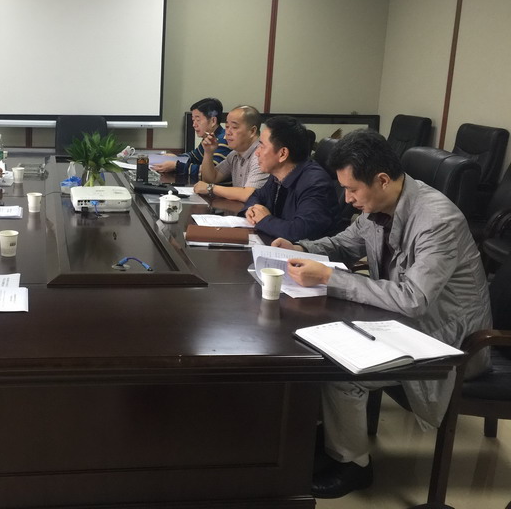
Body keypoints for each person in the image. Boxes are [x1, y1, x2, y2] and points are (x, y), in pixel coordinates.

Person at [272, 129, 492, 499]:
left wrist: (329, 277)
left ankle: (354, 465)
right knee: (314, 342)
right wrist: (301, 248)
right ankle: (332, 441)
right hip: (407, 323)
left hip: (452, 338)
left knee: (342, 371)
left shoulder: (437, 220)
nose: (347, 199)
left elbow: (414, 299)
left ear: (383, 180)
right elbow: (344, 244)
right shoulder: (379, 206)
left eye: (352, 190)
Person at [242, 115, 337, 241]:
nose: (257, 152)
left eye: (262, 146)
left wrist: (264, 220)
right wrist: (252, 210)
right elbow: (257, 195)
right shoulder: (277, 174)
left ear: (282, 154)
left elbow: (299, 232)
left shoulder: (315, 184)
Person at [193, 105, 268, 202]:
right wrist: (208, 152)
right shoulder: (234, 155)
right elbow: (210, 179)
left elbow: (250, 194)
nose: (228, 132)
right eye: (227, 127)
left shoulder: (261, 155)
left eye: (234, 127)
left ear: (252, 131)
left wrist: (211, 188)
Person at [151, 98, 231, 178]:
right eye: (193, 120)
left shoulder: (222, 141)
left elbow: (210, 172)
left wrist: (177, 166)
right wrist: (175, 158)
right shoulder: (209, 138)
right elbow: (193, 156)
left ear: (213, 121)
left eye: (198, 120)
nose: (194, 125)